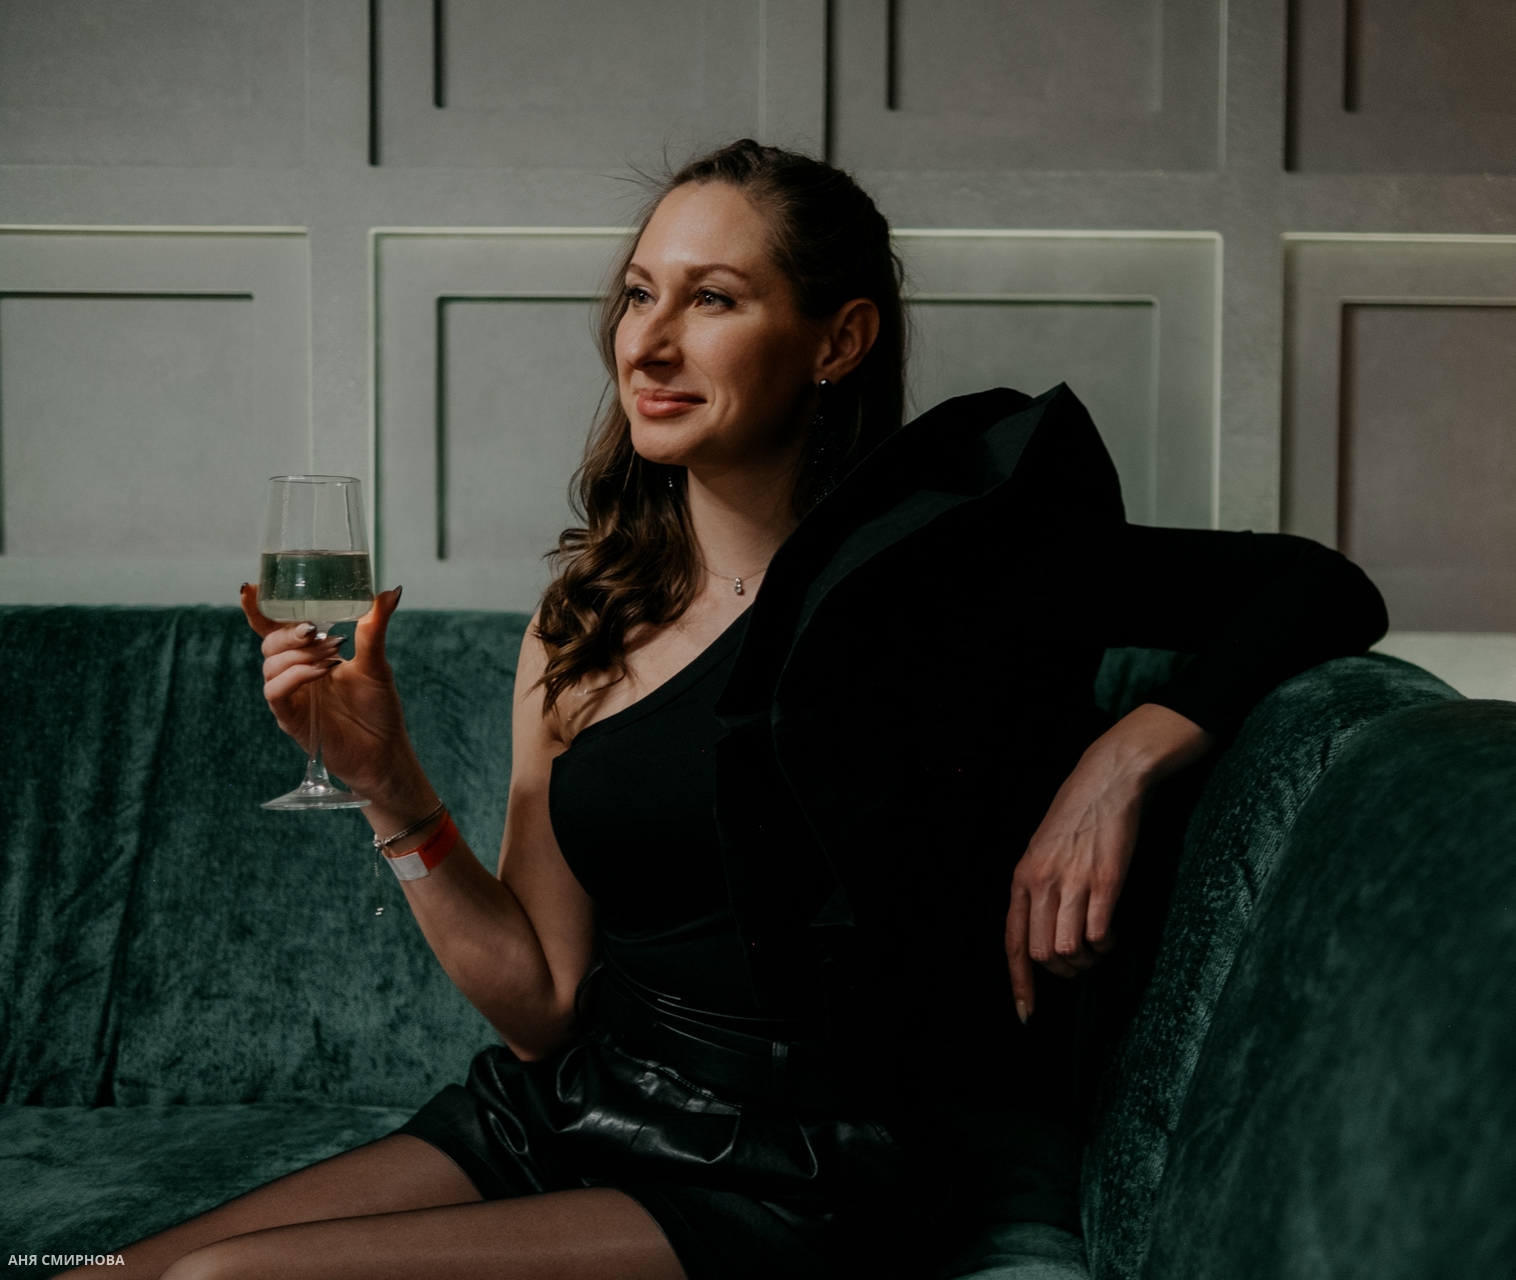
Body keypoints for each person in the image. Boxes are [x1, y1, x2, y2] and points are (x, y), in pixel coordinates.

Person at [79, 140, 1386, 1280]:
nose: (647, 343)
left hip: (806, 1169)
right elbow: (542, 1003)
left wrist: (1122, 758)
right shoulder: (583, 621)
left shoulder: (952, 572)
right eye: (639, 294)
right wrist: (389, 786)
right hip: (575, 1101)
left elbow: (1319, 586)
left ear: (839, 340)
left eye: (712, 299)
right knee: (113, 1274)